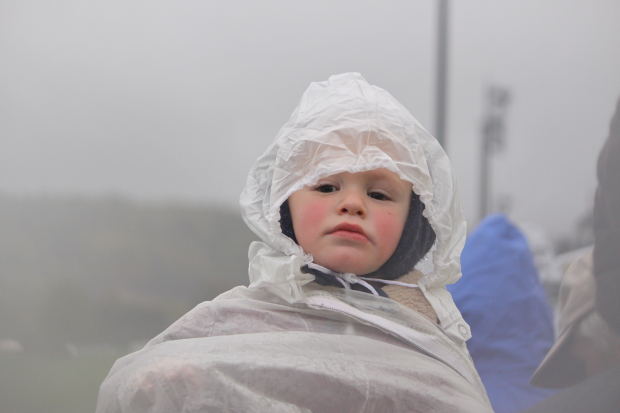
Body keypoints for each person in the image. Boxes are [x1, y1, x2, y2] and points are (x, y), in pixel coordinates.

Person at [95, 73, 492, 412]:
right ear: (285, 206)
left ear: (414, 223)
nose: (352, 203)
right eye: (326, 185)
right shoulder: (231, 322)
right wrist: (181, 383)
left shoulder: (430, 337)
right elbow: (130, 387)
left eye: (379, 194)